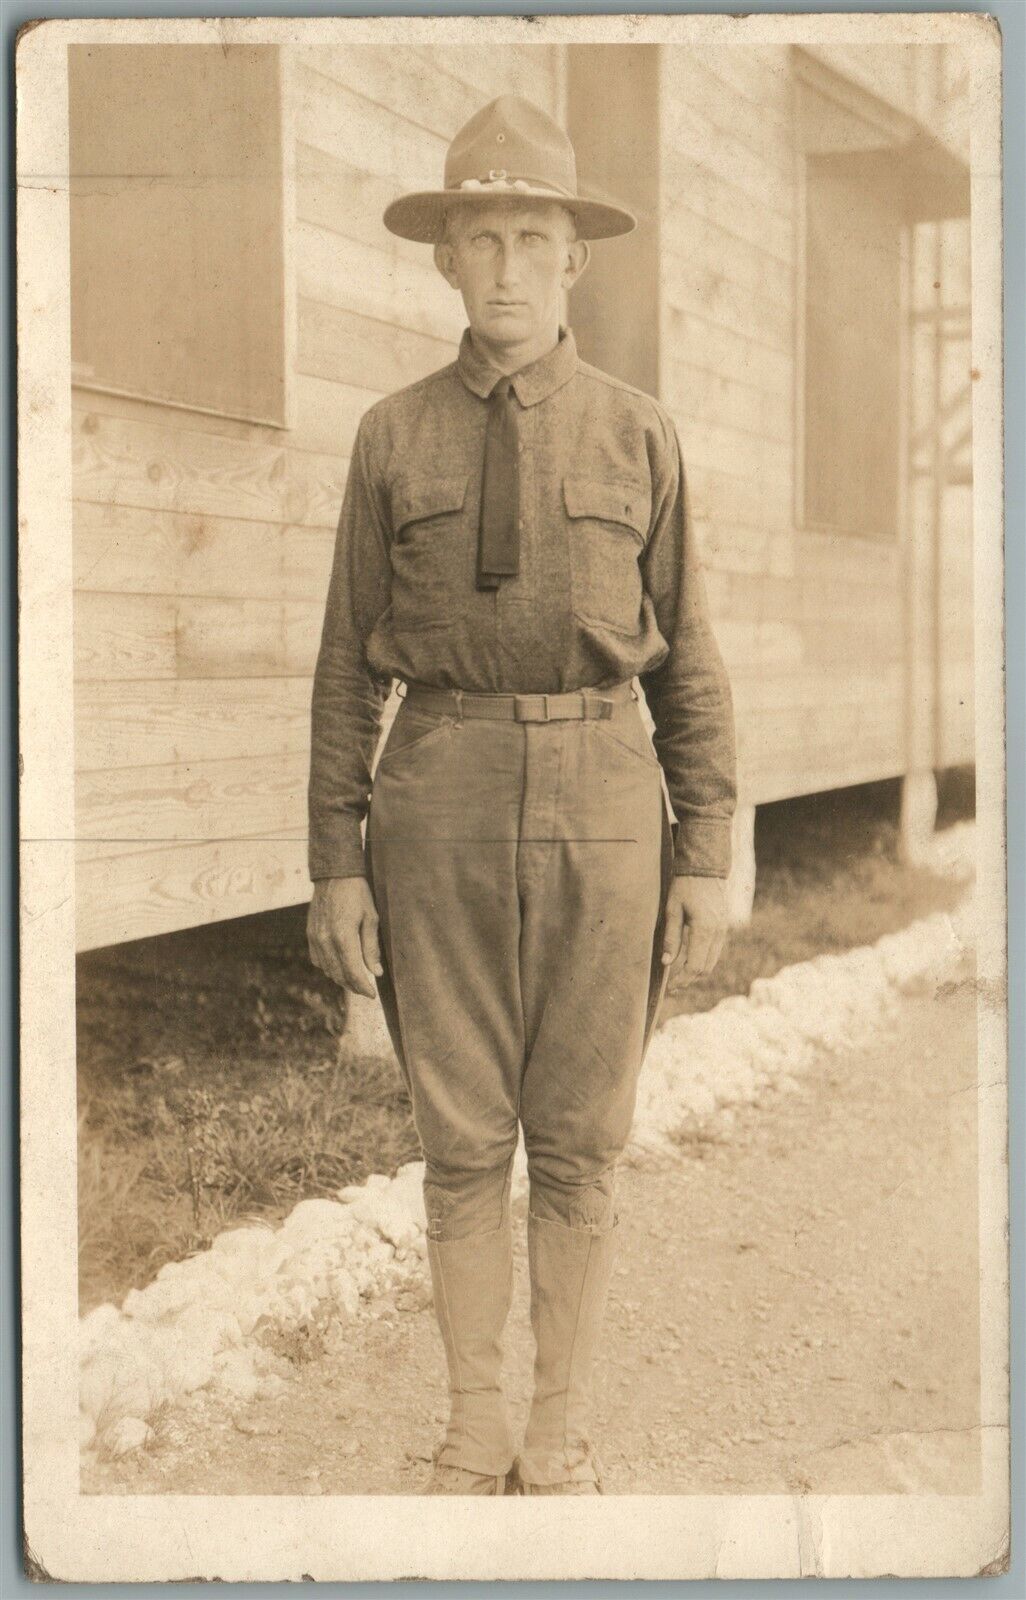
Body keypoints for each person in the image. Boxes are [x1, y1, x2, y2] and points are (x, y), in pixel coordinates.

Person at [307, 94, 737, 1496]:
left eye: (529, 236)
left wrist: (704, 847)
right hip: (434, 788)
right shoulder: (390, 438)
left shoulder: (639, 437)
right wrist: (336, 861)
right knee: (457, 1137)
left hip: (608, 796)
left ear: (571, 260)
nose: (502, 264)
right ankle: (473, 1419)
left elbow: (691, 663)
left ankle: (558, 1422)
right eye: (476, 234)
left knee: (579, 1136)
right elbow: (340, 670)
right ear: (443, 260)